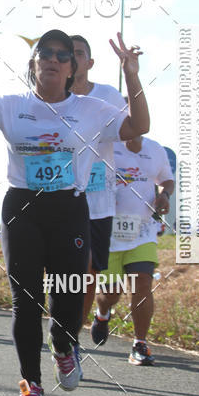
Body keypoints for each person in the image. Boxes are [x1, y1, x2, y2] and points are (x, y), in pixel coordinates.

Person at [0, 30, 149, 396]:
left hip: (69, 207)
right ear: (33, 63)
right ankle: (30, 385)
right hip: (22, 206)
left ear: (73, 68)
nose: (54, 59)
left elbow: (138, 127)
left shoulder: (91, 109)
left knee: (70, 293)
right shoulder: (10, 105)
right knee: (26, 300)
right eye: (46, 53)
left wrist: (133, 74)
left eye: (63, 55)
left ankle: (62, 343)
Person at [70, 34, 127, 376]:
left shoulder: (107, 95)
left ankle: (69, 339)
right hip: (56, 199)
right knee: (63, 275)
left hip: (98, 202)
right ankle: (63, 329)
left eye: (79, 53)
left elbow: (132, 132)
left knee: (89, 273)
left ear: (90, 62)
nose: (72, 58)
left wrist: (131, 75)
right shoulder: (48, 98)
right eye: (67, 53)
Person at [93, 136, 173, 365]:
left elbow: (167, 180)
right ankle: (102, 312)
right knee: (111, 294)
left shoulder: (155, 149)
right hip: (107, 232)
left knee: (143, 282)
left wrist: (165, 195)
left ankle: (140, 344)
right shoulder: (103, 145)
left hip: (143, 230)